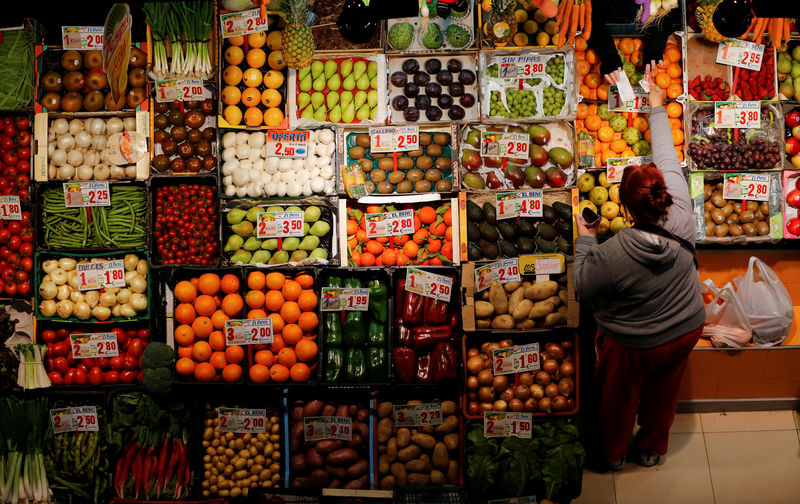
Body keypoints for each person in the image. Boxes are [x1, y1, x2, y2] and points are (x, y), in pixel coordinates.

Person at [573, 61, 705, 471]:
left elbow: (582, 285)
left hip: (636, 341)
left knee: (619, 397)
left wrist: (586, 239)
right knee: (665, 391)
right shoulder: (682, 207)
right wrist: (657, 106)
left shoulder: (617, 252)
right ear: (663, 191)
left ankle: (613, 456)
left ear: (627, 210)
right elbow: (667, 153)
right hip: (686, 327)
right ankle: (651, 449)